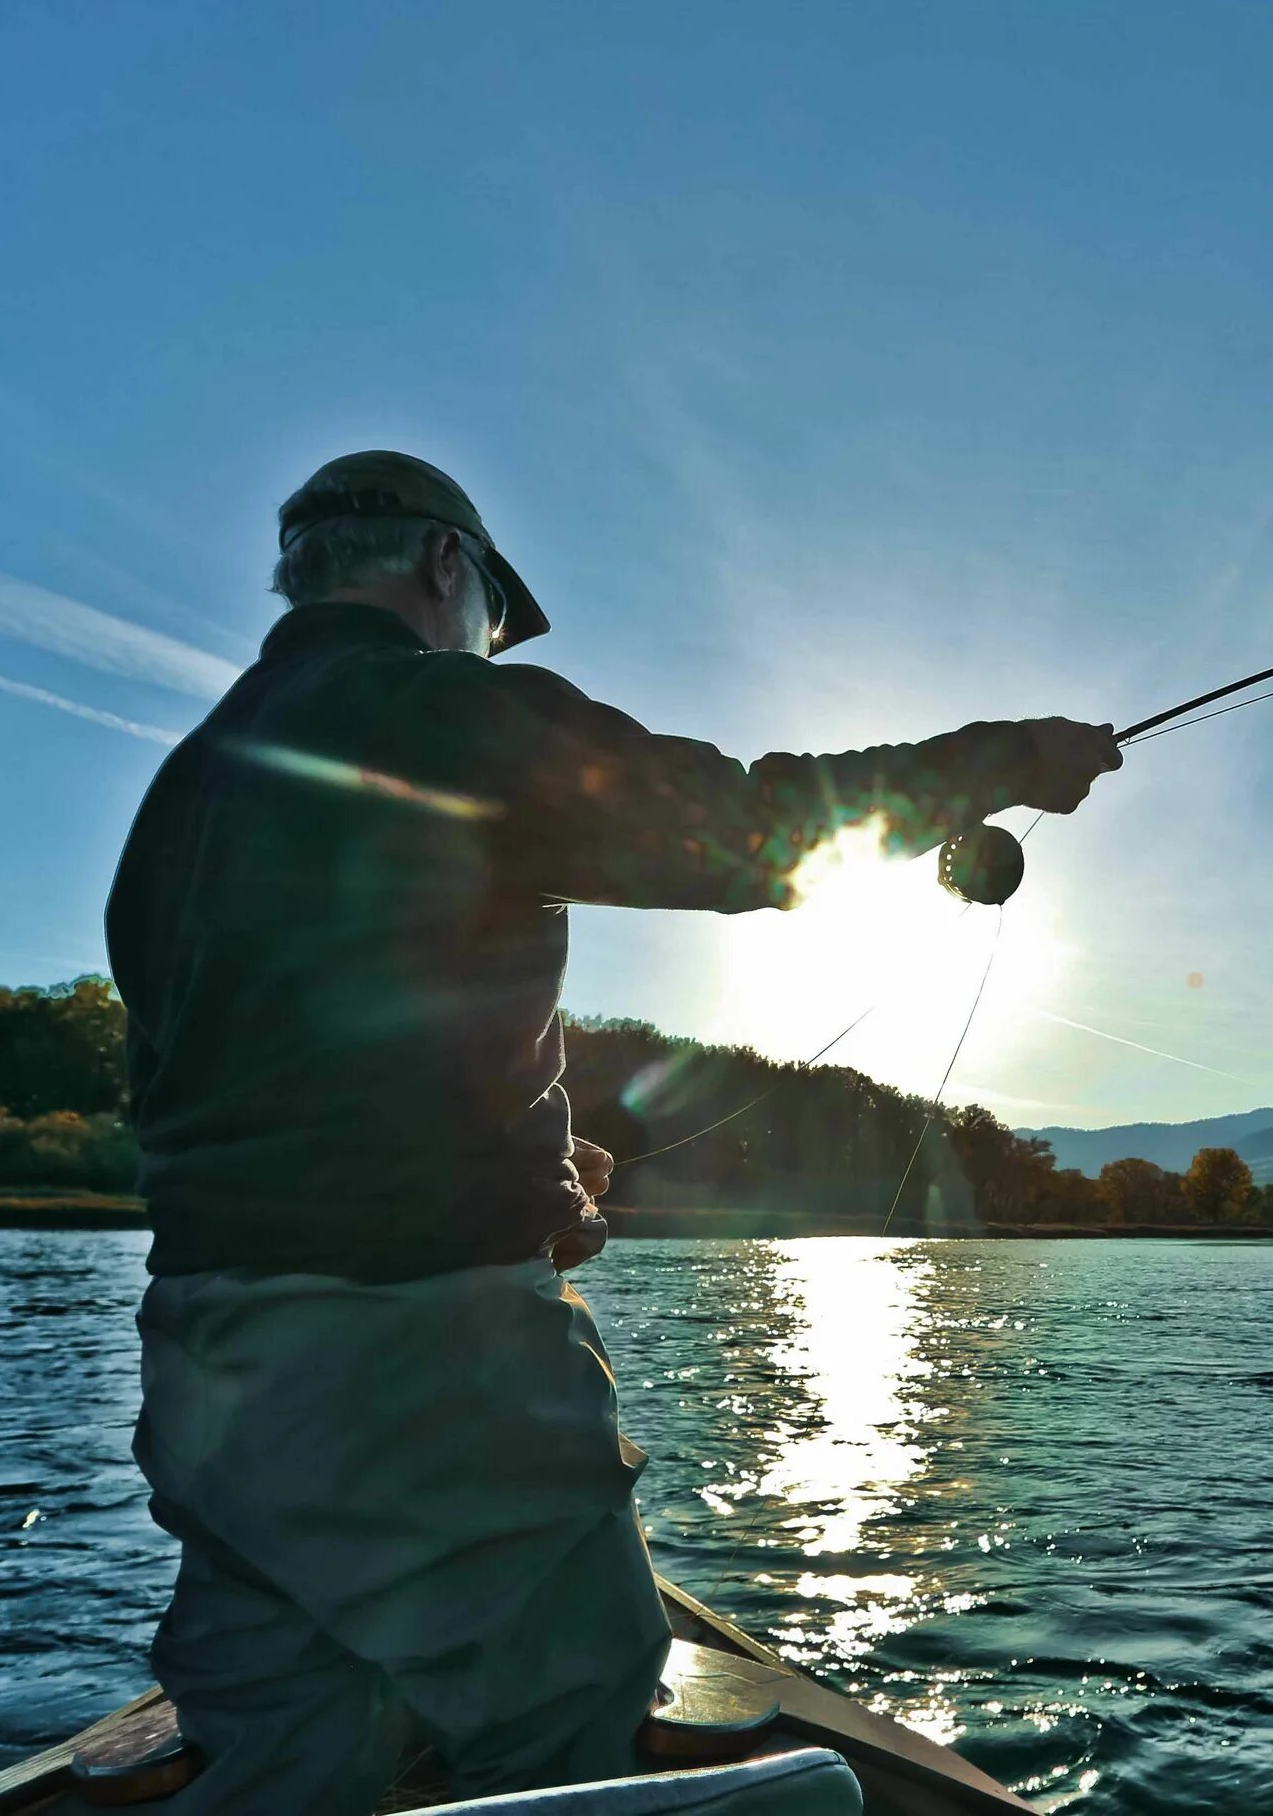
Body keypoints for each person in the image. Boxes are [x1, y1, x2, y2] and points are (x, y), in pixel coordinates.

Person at [104, 450, 1120, 1810]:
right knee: (568, 1730)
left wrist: (536, 1173)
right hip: (423, 1361)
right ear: (445, 568)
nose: (489, 642)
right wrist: (999, 763)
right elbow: (747, 829)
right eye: (493, 616)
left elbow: (279, 1073)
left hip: (208, 1369)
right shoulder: (437, 711)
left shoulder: (181, 792)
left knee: (279, 1755)